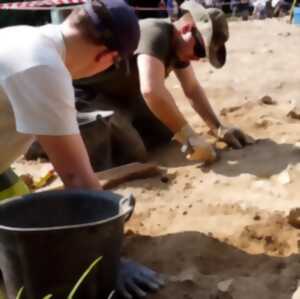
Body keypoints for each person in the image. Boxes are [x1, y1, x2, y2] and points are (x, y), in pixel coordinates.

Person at [0, 0, 164, 298]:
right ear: (106, 56)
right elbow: (77, 179)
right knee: (22, 260)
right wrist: (113, 261)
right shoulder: (42, 67)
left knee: (25, 218)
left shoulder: (28, 37)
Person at [74, 0, 254, 166]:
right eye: (200, 49)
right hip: (85, 95)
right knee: (133, 152)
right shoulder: (157, 32)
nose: (198, 58)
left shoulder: (178, 49)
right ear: (186, 29)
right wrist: (189, 136)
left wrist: (218, 127)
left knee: (165, 134)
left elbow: (192, 89)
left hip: (120, 97)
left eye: (203, 55)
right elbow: (151, 91)